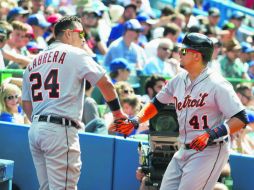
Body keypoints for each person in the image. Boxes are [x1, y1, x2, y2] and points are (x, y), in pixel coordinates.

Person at [110, 33, 248, 190]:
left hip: (209, 150)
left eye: (184, 51)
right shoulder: (179, 79)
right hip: (183, 147)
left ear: (197, 56)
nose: (179, 53)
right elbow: (156, 104)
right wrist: (136, 121)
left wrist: (211, 134)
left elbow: (241, 118)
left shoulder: (218, 84)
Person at [21, 16, 127, 190]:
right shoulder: (75, 54)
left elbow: (26, 103)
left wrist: (41, 125)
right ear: (69, 33)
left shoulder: (33, 61)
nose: (84, 39)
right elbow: (105, 83)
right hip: (59, 128)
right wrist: (117, 114)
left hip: (36, 130)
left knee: (47, 187)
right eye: (81, 33)